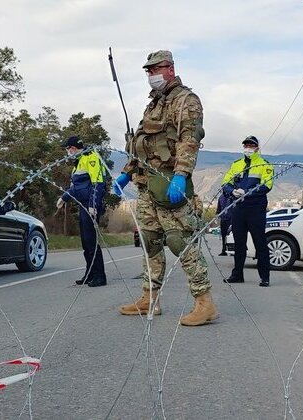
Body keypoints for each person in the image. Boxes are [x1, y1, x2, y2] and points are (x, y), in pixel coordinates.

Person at [113, 50, 218, 326]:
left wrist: (181, 175)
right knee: (150, 242)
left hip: (170, 182)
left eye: (156, 69)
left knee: (179, 241)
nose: (152, 75)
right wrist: (127, 173)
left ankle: (204, 303)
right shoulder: (154, 104)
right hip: (147, 185)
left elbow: (188, 139)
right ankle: (150, 299)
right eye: (148, 71)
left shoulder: (186, 101)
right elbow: (143, 145)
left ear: (170, 68)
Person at [221, 135, 274, 287]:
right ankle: (237, 274)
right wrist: (232, 191)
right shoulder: (236, 164)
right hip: (238, 208)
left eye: (251, 146)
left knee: (260, 243)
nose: (248, 148)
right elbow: (226, 182)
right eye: (246, 146)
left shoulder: (264, 165)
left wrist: (248, 191)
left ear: (257, 148)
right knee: (239, 243)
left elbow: (267, 185)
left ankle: (265, 277)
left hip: (256, 209)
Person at [56, 136, 107, 287]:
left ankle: (99, 276)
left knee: (92, 241)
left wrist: (93, 204)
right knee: (86, 242)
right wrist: (64, 197)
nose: (67, 152)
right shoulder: (77, 164)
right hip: (82, 205)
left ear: (72, 148)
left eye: (67, 149)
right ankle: (90, 273)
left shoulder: (91, 157)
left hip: (90, 206)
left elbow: (98, 183)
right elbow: (76, 187)